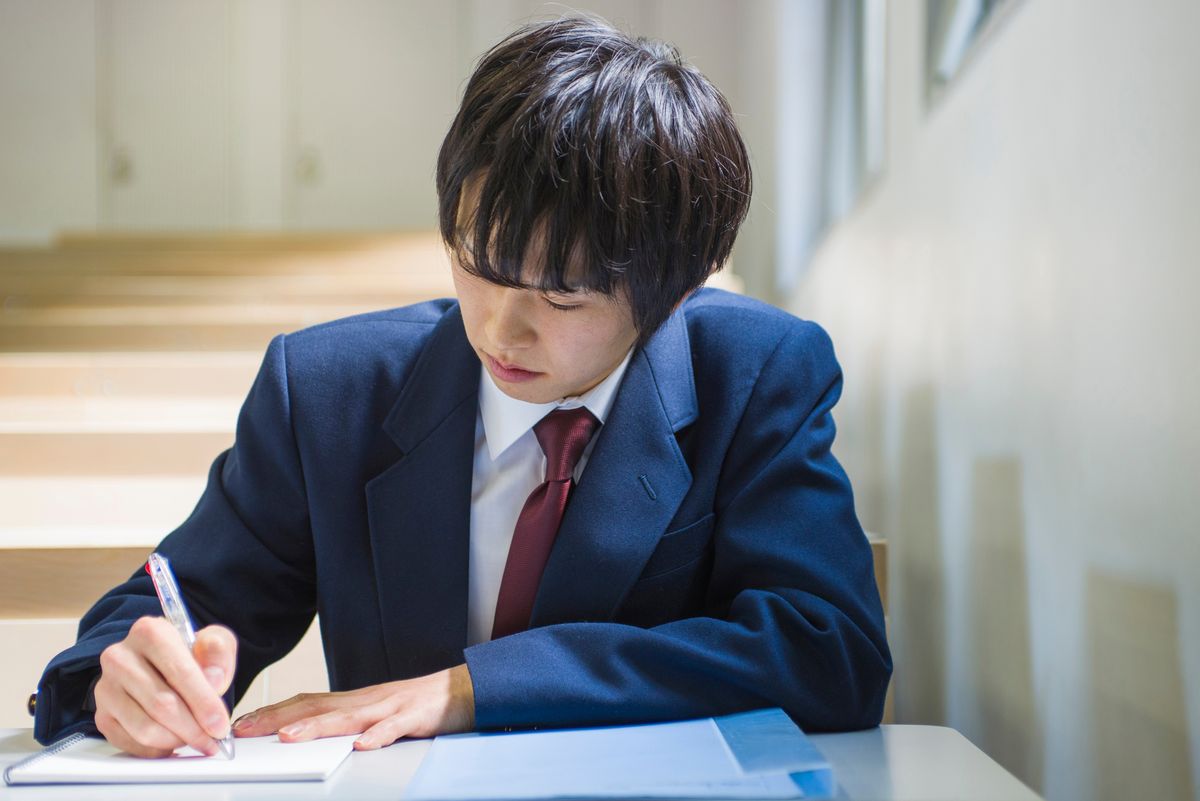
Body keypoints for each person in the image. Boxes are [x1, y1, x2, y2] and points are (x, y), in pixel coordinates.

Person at [33, 16, 890, 757]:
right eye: (478, 269)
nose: (499, 330)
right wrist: (126, 674)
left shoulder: (756, 373)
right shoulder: (328, 391)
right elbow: (173, 605)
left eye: (561, 298)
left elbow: (830, 649)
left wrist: (470, 690)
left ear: (678, 287)